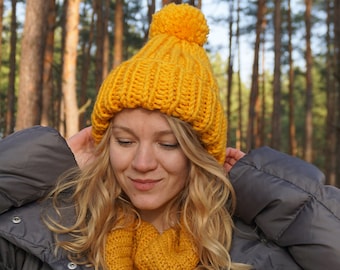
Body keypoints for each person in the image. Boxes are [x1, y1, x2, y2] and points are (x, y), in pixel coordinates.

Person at [0, 3, 339, 270]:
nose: (142, 163)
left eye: (168, 143)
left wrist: (269, 189)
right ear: (103, 145)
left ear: (200, 152)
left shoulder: (252, 249)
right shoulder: (51, 232)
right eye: (125, 141)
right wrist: (46, 160)